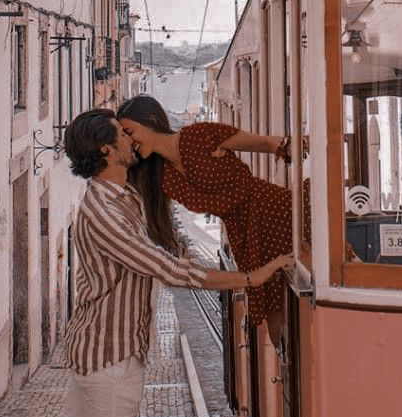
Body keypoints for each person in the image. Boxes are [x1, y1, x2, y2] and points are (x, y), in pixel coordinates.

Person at [0, 109, 292, 417]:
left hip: (96, 348)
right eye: (122, 134)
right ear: (106, 151)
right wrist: (249, 278)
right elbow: (168, 269)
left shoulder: (119, 195)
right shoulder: (107, 213)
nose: (130, 139)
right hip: (110, 354)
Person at [116, 95, 292, 346]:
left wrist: (293, 145)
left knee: (290, 302)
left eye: (130, 131)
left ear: (151, 119)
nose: (129, 141)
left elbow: (265, 143)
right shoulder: (161, 176)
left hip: (273, 211)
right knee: (275, 321)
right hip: (242, 233)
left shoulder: (196, 136)